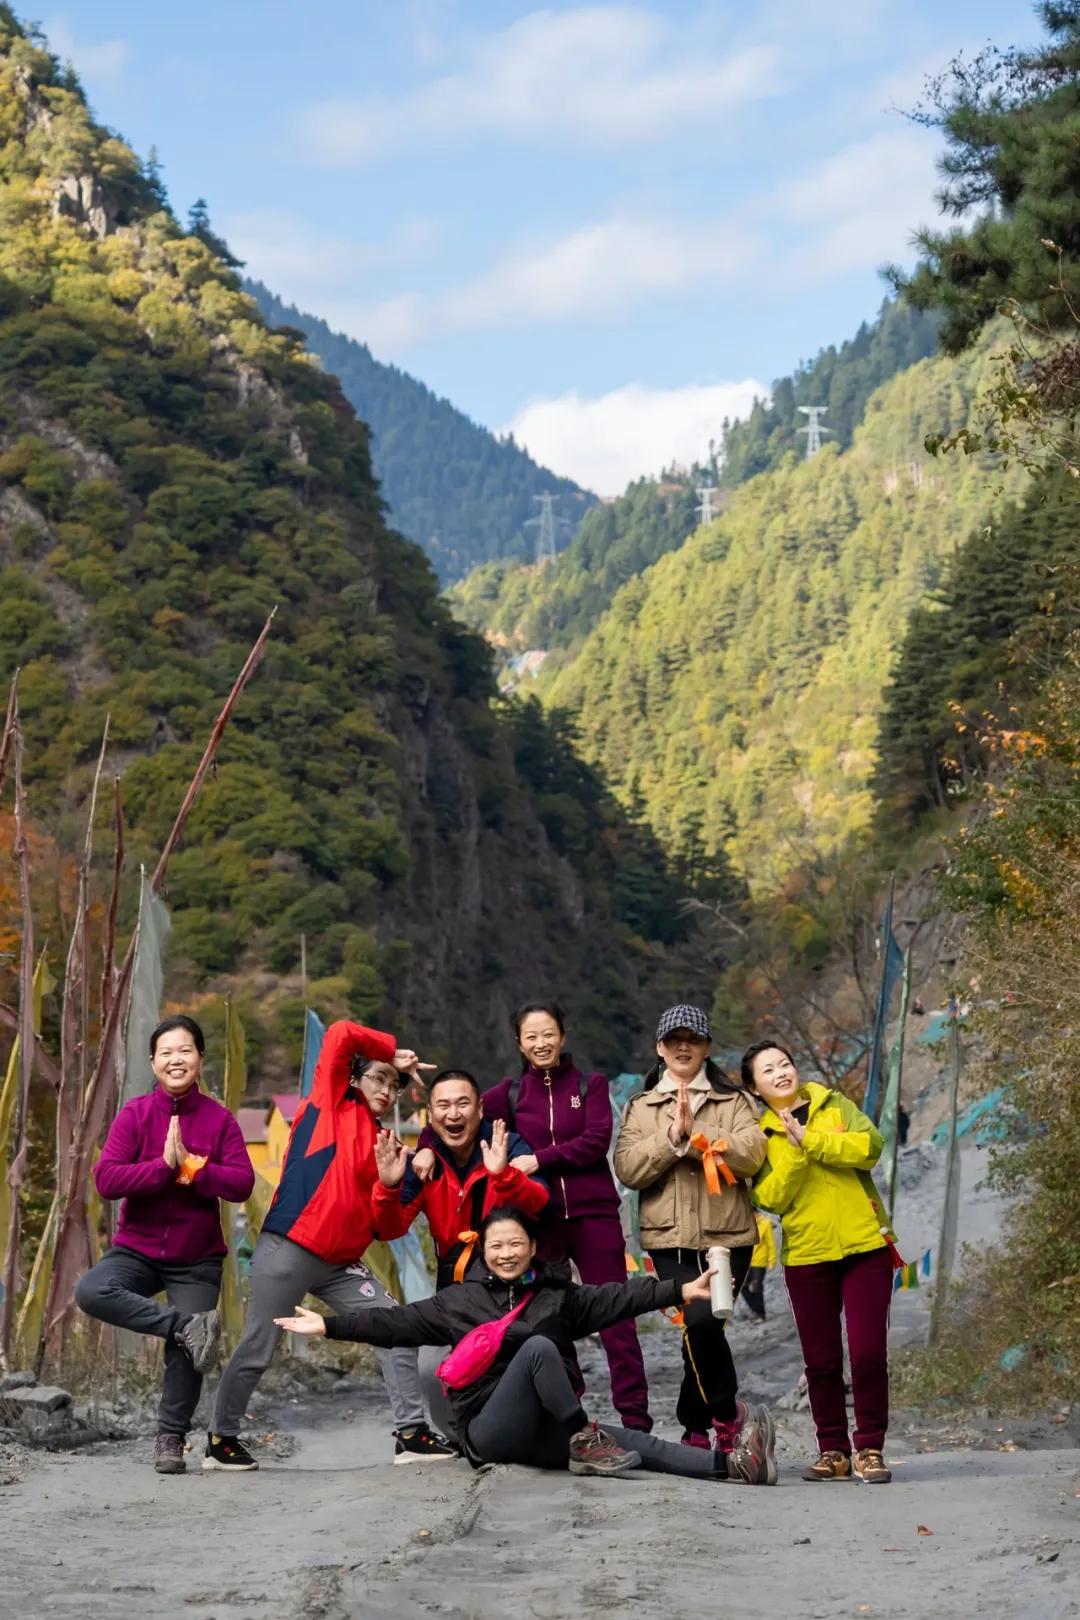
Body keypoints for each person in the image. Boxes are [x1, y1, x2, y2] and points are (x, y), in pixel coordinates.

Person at [274, 1206, 777, 1486]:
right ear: (483, 1253)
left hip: (547, 1428)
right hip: (488, 1431)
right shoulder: (461, 1300)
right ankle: (584, 1438)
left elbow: (618, 1296)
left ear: (532, 1247)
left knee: (637, 1443)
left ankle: (733, 1466)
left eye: (515, 1243)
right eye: (497, 1246)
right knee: (537, 1349)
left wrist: (677, 1289)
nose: (507, 1253)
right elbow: (396, 1323)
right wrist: (329, 1327)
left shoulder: (557, 1297)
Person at [204, 1019, 454, 1471]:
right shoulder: (328, 1103)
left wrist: (393, 1185)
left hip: (341, 1264)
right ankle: (221, 1441)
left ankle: (413, 1436)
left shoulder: (387, 1144)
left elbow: (388, 1227)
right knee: (260, 1345)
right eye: (378, 1076)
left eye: (394, 1084)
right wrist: (393, 1051)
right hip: (290, 1249)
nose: (386, 1088)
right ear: (354, 1078)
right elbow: (340, 1032)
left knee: (395, 1328)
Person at [75, 1015, 255, 1475]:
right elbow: (106, 1179)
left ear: (199, 1057)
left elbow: (241, 1184)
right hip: (136, 1250)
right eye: (166, 1052)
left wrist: (192, 1169)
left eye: (186, 1050)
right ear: (153, 1062)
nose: (176, 1059)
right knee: (93, 1291)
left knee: (187, 1353)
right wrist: (160, 1167)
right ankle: (182, 1325)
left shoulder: (219, 1120)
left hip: (196, 1258)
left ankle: (170, 1439)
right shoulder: (134, 1115)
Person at [474, 1001, 652, 1432]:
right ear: (519, 1043)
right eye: (531, 1036)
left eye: (548, 1034)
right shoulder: (508, 1095)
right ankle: (565, 1418)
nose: (541, 1043)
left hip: (595, 1218)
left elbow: (595, 1142)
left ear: (563, 1037)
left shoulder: (590, 1086)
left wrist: (538, 1159)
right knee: (549, 1320)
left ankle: (635, 1420)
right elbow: (459, 1115)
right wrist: (424, 1146)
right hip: (542, 1223)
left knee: (616, 1316)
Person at [742, 1039, 896, 1485]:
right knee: (821, 1360)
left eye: (785, 1063)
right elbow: (769, 1197)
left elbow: (870, 1146)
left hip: (866, 1245)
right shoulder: (760, 1136)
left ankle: (869, 1447)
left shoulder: (835, 1104)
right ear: (755, 1088)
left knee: (868, 1353)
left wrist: (813, 1139)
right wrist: (793, 1150)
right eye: (767, 1071)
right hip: (808, 1255)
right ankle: (833, 1449)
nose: (780, 1073)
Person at [614, 1004, 766, 1454]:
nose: (684, 1046)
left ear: (706, 1048)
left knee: (703, 1325)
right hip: (669, 1240)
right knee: (697, 1325)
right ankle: (724, 1416)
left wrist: (699, 1138)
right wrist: (670, 1139)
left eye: (693, 1039)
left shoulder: (735, 1101)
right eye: (674, 1039)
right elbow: (628, 1168)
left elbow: (753, 1154)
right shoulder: (641, 1107)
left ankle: (698, 1427)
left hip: (729, 1236)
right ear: (660, 1047)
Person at [372, 1069, 549, 1287]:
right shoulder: (424, 1163)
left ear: (480, 1109)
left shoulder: (506, 1146)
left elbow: (539, 1202)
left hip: (510, 1275)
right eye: (443, 1106)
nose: (453, 1114)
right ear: (430, 1112)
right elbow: (389, 1229)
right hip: (455, 1280)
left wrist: (504, 1176)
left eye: (463, 1104)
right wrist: (388, 1188)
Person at [741, 1213, 778, 1322]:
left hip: (760, 1262)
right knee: (743, 1286)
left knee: (757, 1287)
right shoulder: (747, 1224)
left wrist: (772, 1260)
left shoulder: (765, 1224)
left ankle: (761, 1315)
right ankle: (756, 1309)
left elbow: (771, 1243)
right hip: (748, 1262)